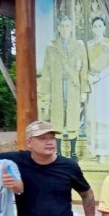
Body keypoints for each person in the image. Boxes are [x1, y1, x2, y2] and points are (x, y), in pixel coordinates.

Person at [38, 14, 88, 159]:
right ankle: (58, 152)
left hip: (73, 86)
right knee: (57, 118)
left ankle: (72, 152)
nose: (65, 29)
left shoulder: (79, 45)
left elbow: (84, 68)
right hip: (57, 86)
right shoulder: (52, 46)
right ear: (59, 28)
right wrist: (45, 92)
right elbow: (46, 70)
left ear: (71, 28)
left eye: (67, 26)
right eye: (62, 26)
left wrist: (84, 90)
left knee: (73, 116)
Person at [85, 15, 109, 163]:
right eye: (95, 26)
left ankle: (103, 152)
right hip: (91, 83)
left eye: (100, 26)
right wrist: (88, 77)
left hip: (103, 82)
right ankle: (93, 149)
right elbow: (84, 63)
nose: (98, 28)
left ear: (104, 28)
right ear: (92, 28)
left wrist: (99, 76)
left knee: (103, 115)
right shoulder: (88, 45)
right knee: (91, 115)